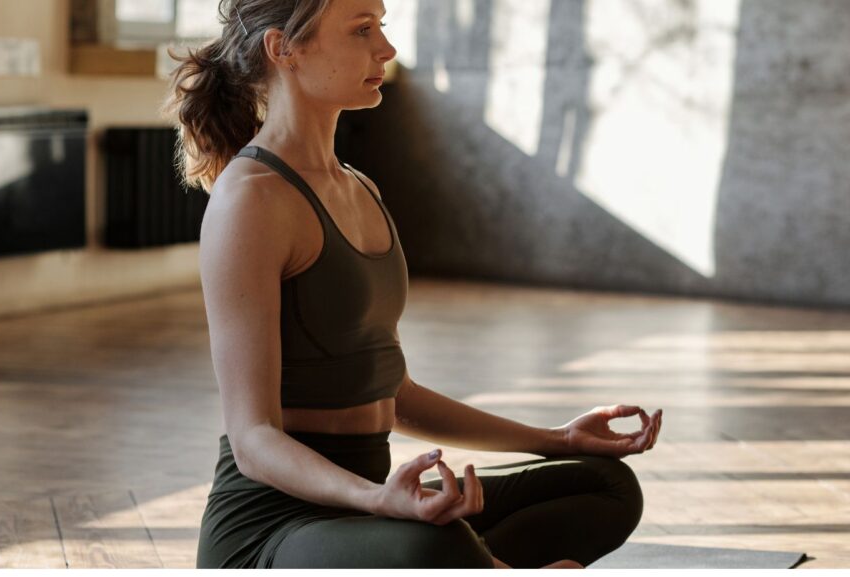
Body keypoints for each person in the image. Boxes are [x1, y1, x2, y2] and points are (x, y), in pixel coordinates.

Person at [163, 0, 664, 569]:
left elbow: (392, 393)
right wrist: (378, 500)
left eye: (382, 26)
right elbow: (253, 439)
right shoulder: (251, 198)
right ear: (284, 50)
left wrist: (559, 439)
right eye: (361, 30)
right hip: (273, 527)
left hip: (369, 510)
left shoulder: (359, 188)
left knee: (604, 485)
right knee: (433, 544)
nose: (387, 49)